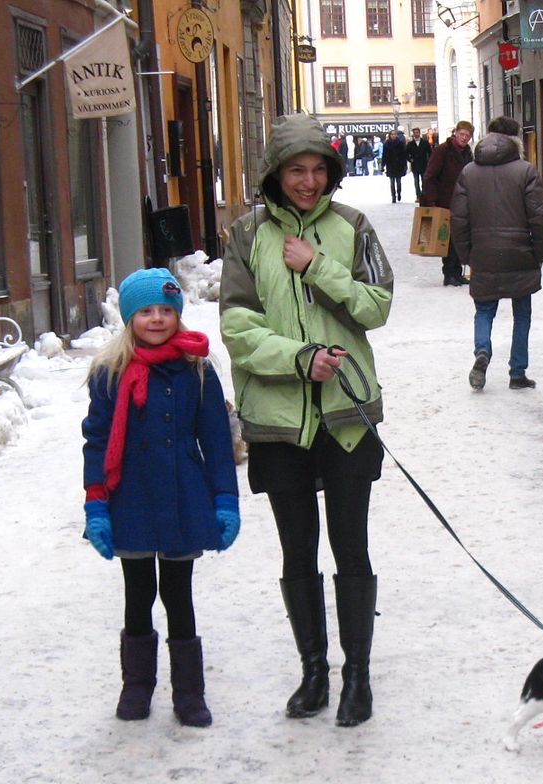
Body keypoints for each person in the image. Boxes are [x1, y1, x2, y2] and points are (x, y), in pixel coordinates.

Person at [219, 113, 394, 728]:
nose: (309, 181)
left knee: (352, 548)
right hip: (278, 422)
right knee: (298, 553)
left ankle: (358, 677)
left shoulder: (352, 227)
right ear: (275, 172)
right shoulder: (245, 235)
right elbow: (238, 330)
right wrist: (298, 359)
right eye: (297, 169)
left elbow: (377, 307)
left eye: (319, 169)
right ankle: (313, 671)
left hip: (345, 417)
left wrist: (316, 265)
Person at [81, 268, 240, 729]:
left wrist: (224, 499)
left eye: (166, 310)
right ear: (130, 317)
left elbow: (216, 440)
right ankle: (137, 685)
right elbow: (96, 440)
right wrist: (96, 503)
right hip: (129, 498)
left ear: (178, 315)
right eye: (146, 311)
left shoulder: (197, 369)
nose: (156, 319)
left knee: (178, 594)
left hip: (181, 498)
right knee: (138, 594)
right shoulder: (110, 374)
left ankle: (189, 693)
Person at [450, 115, 543, 391]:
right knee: (522, 312)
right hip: (520, 252)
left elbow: (458, 218)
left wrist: (466, 255)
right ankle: (517, 372)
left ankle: (482, 351)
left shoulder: (469, 172)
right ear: (516, 140)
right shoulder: (526, 170)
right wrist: (540, 253)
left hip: (482, 252)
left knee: (484, 309)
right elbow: (539, 217)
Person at [422, 120, 474, 286]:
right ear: (455, 133)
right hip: (445, 200)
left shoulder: (467, 152)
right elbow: (430, 175)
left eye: (468, 136)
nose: (464, 138)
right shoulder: (442, 150)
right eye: (462, 134)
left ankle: (457, 272)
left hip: (462, 200)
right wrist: (431, 200)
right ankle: (449, 273)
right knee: (447, 238)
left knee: (460, 237)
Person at [382, 128, 409, 203]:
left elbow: (403, 154)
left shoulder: (400, 143)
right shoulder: (386, 144)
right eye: (392, 134)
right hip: (390, 164)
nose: (393, 136)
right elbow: (384, 155)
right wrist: (382, 165)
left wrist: (404, 164)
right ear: (390, 135)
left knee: (398, 181)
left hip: (398, 164)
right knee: (392, 181)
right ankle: (393, 196)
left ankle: (399, 193)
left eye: (395, 134)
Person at [406, 127, 431, 201]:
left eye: (417, 132)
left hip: (424, 164)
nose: (416, 134)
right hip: (415, 164)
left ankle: (424, 195)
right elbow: (406, 153)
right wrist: (410, 160)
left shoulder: (425, 142)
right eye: (414, 133)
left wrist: (429, 161)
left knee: (424, 181)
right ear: (413, 134)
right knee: (416, 181)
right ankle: (418, 196)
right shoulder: (410, 144)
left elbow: (430, 152)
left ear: (419, 133)